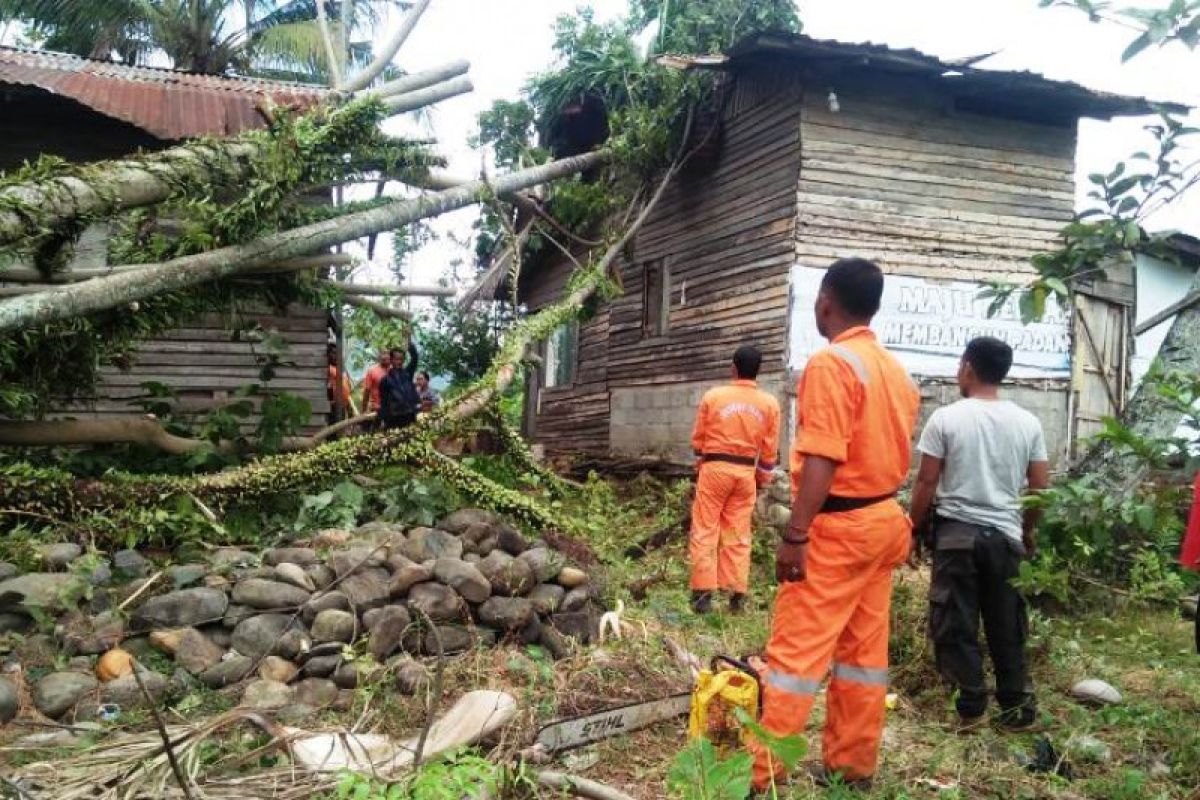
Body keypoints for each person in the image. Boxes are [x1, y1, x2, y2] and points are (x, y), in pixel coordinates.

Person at [750, 258, 919, 793]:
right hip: (885, 521)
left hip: (841, 528)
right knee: (863, 656)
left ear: (825, 302)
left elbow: (822, 457)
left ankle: (760, 774)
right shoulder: (896, 371)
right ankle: (851, 768)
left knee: (796, 656)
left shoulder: (832, 364)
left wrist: (796, 534)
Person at [909, 337, 1048, 733]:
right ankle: (1016, 711)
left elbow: (926, 481)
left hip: (956, 537)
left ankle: (971, 709)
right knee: (1007, 623)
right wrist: (1027, 530)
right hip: (1006, 538)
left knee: (956, 623)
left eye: (959, 366)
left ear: (968, 367)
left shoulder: (946, 419)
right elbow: (1040, 487)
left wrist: (913, 529)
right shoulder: (1028, 422)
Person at [687, 345, 781, 615]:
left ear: (733, 368)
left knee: (706, 530)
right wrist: (761, 478)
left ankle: (702, 597)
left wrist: (701, 465)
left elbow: (699, 440)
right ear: (758, 371)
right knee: (738, 535)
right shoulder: (770, 404)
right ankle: (735, 597)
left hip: (715, 470)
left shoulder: (714, 397)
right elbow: (769, 450)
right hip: (745, 475)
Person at [378, 340, 421, 430]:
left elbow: (415, 358)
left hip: (409, 415)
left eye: (401, 359)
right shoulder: (385, 381)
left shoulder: (408, 374)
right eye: (397, 359)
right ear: (391, 360)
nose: (399, 362)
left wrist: (409, 343)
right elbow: (384, 402)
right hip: (394, 418)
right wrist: (382, 419)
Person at [326, 344, 353, 424]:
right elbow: (328, 386)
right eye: (333, 353)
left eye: (337, 353)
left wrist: (349, 406)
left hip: (342, 406)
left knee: (340, 429)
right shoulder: (328, 368)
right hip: (333, 406)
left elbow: (346, 389)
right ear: (328, 354)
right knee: (333, 430)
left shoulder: (341, 368)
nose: (335, 356)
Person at [361, 349, 391, 415]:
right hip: (376, 410)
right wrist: (363, 411)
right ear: (379, 356)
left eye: (388, 354)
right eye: (383, 354)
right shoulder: (372, 371)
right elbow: (367, 391)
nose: (386, 356)